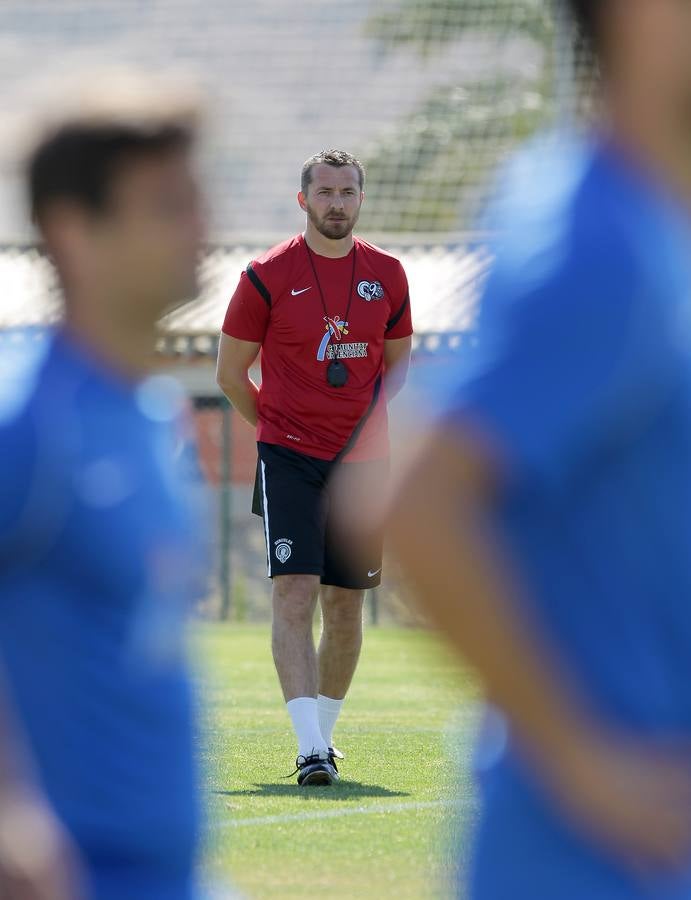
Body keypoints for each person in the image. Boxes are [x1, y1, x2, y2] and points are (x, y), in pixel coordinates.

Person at [388, 0, 691, 897]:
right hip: (594, 863)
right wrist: (578, 760)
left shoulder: (643, 227)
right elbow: (416, 500)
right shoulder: (596, 247)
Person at [0, 72, 208, 898]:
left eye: (196, 198)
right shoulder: (29, 426)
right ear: (74, 233)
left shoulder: (152, 415)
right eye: (166, 204)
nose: (201, 226)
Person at [216, 149, 413, 785]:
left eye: (347, 192)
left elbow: (397, 364)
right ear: (303, 199)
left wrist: (360, 428)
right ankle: (308, 750)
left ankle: (322, 740)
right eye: (324, 192)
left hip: (364, 462)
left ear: (361, 199)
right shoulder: (265, 275)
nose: (336, 202)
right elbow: (229, 373)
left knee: (347, 605)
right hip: (290, 457)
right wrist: (277, 431)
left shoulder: (388, 274)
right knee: (294, 591)